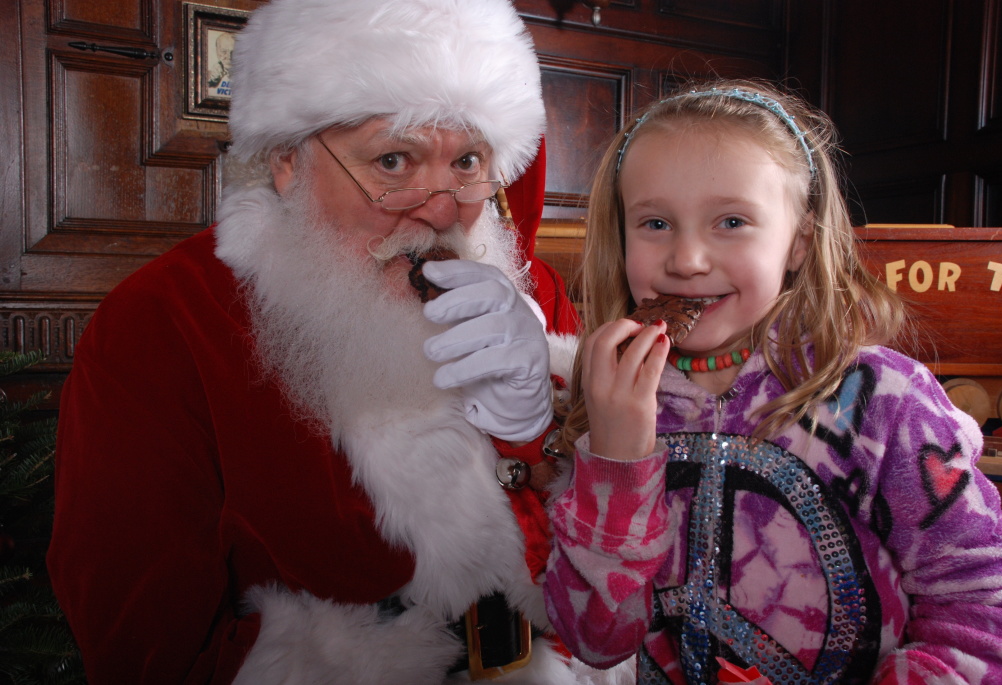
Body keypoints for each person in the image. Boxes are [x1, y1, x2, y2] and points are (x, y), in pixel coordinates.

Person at [46, 1, 630, 683]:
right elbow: (146, 654)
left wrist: (544, 432)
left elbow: (615, 552)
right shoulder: (159, 324)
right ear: (288, 161)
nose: (442, 209)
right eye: (392, 160)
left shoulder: (534, 298)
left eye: (467, 160)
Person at [542, 78, 1002, 684]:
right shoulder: (610, 398)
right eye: (656, 223)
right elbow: (593, 639)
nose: (687, 259)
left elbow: (987, 610)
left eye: (732, 221)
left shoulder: (886, 402)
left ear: (798, 241)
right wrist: (614, 457)